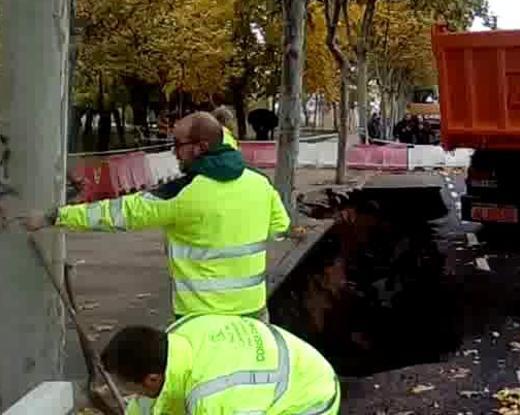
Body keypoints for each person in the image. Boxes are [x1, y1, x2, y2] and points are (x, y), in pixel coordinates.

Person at [24, 112, 290, 320]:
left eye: (178, 145)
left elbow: (119, 213)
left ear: (200, 147)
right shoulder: (259, 183)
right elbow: (280, 226)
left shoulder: (182, 194)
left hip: (201, 318)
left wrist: (55, 216)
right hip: (253, 312)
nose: (174, 152)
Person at [104, 315, 339, 415]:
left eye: (131, 388)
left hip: (310, 398)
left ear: (152, 379)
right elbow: (148, 404)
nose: (131, 395)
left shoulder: (214, 399)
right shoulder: (179, 335)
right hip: (290, 365)